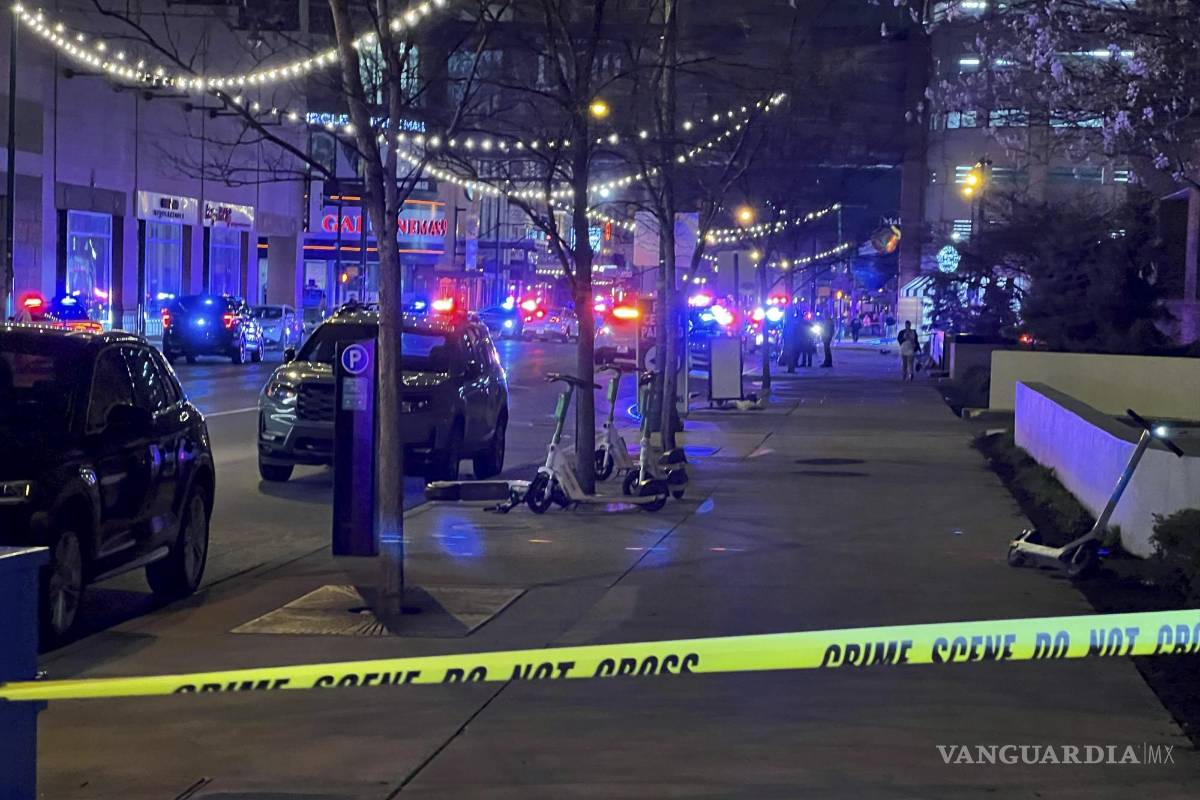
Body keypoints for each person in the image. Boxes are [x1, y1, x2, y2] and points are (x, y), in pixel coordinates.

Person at [780, 308, 801, 373]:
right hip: (792, 340)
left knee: (790, 354)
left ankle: (790, 368)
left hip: (789, 340)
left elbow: (785, 331)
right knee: (791, 354)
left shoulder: (788, 322)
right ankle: (791, 368)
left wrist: (783, 338)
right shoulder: (794, 321)